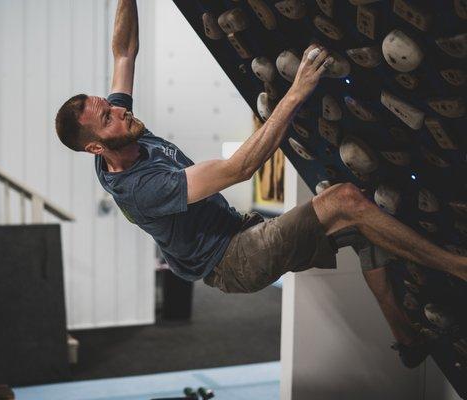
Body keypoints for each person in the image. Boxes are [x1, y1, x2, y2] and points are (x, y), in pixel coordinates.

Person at [54, 0, 466, 367]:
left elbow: (124, 52)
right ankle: (459, 267)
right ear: (95, 147)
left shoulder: (121, 130)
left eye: (109, 104)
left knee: (365, 227)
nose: (119, 110)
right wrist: (298, 90)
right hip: (231, 261)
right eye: (107, 116)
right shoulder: (142, 189)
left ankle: (407, 340)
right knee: (343, 200)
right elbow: (239, 169)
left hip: (236, 231)